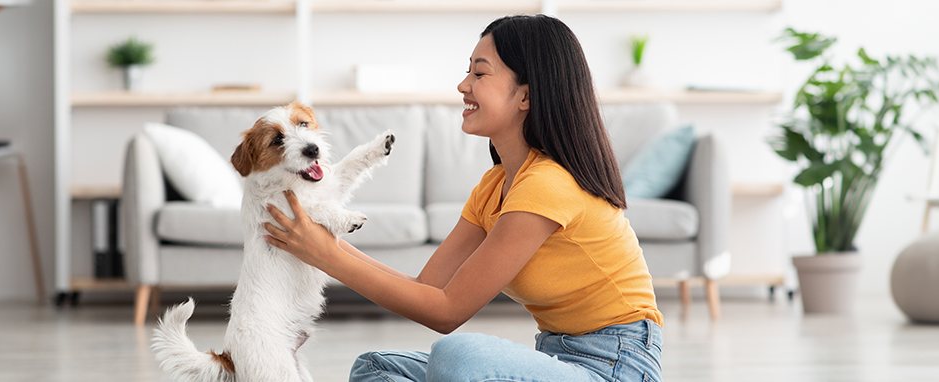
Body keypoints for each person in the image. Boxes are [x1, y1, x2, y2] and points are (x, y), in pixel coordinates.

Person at [263, 14, 663, 382]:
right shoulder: (495, 185)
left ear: (525, 95)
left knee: (458, 355)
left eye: (479, 73)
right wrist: (324, 244)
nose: (463, 85)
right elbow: (428, 287)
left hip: (616, 366)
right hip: (556, 360)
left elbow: (447, 312)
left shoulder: (548, 183)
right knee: (376, 367)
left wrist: (325, 256)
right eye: (466, 71)